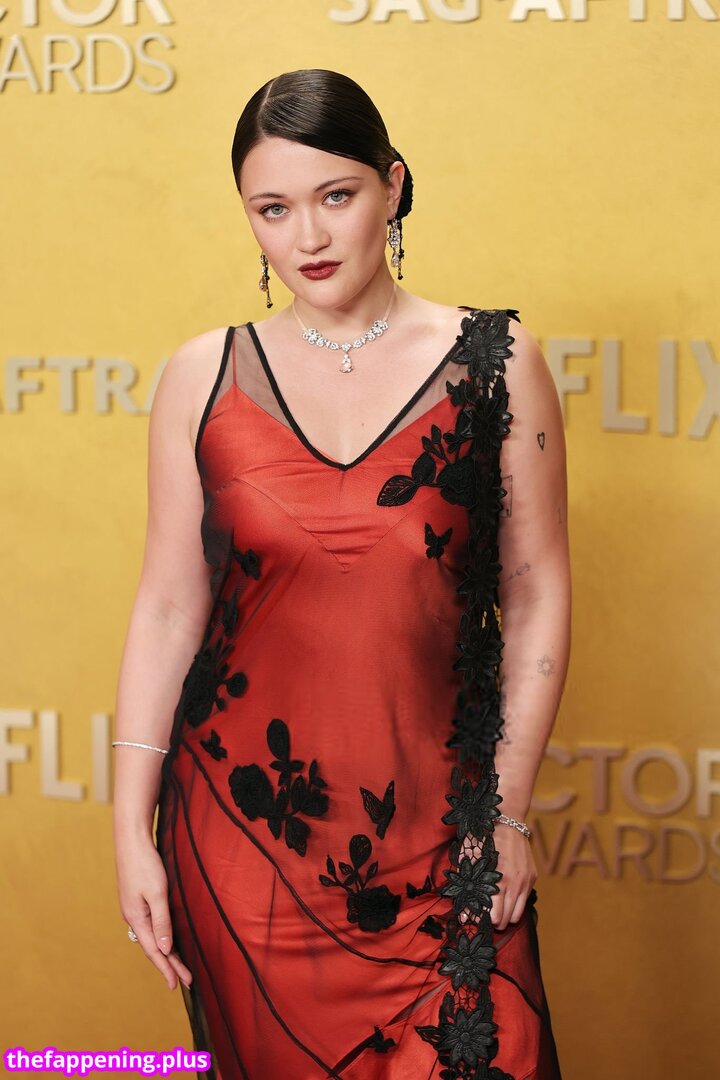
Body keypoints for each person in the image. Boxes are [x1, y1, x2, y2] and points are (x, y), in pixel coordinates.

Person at [112, 67, 571, 1080]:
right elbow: (169, 607)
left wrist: (506, 811)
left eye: (337, 195)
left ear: (393, 186)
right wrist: (128, 828)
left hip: (447, 843)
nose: (309, 237)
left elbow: (538, 591)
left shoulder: (496, 362)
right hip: (244, 850)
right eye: (273, 209)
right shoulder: (201, 376)